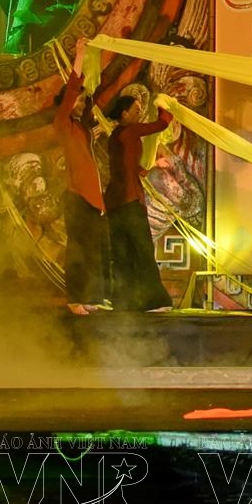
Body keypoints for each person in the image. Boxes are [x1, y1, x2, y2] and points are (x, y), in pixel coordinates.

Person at [102, 94, 173, 311]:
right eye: (136, 110)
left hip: (114, 203)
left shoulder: (115, 136)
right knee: (142, 250)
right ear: (124, 114)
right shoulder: (130, 131)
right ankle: (154, 300)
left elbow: (126, 166)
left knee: (122, 253)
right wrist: (163, 105)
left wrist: (152, 166)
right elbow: (162, 124)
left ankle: (124, 301)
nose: (139, 113)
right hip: (130, 200)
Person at [54, 40, 109, 315]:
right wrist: (80, 56)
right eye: (78, 99)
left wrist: (92, 64)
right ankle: (75, 298)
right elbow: (73, 89)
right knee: (77, 249)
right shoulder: (63, 123)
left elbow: (89, 95)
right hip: (76, 195)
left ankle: (90, 296)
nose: (81, 102)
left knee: (92, 250)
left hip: (92, 199)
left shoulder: (82, 128)